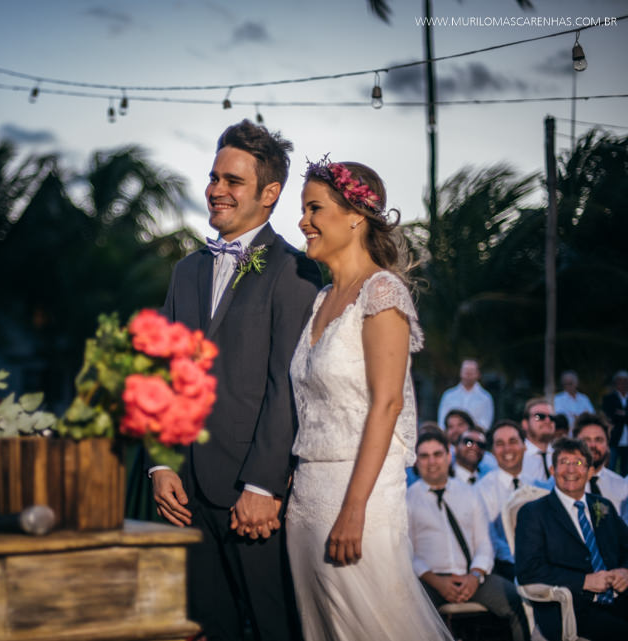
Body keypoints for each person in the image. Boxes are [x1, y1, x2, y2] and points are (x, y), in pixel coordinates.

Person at [151, 119, 321, 641]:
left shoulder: (296, 273)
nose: (216, 190)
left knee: (274, 627)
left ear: (270, 193)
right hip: (185, 495)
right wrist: (161, 464)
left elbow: (288, 386)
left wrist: (264, 484)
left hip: (254, 497)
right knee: (209, 627)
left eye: (233, 180)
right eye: (213, 177)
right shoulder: (185, 272)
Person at [285, 155, 451, 639]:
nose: (304, 221)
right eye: (304, 209)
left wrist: (353, 508)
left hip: (360, 498)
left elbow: (388, 404)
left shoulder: (382, 292)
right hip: (306, 497)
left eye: (314, 208)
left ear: (355, 214)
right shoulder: (321, 300)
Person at [408, 432, 530, 641]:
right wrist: (437, 581)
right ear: (416, 461)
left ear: (449, 457)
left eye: (437, 454)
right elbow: (408, 552)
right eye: (424, 456)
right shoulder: (408, 498)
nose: (431, 462)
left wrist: (474, 576)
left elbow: (485, 542)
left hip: (473, 577)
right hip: (428, 581)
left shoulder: (470, 493)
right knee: (410, 612)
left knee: (518, 601)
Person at [515, 437, 628, 641]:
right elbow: (528, 570)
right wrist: (584, 581)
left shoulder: (603, 507)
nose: (570, 470)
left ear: (590, 471)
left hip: (618, 598)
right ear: (552, 470)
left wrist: (625, 571)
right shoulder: (534, 513)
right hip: (570, 608)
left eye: (577, 463)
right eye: (563, 462)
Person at [475, 419, 536, 580]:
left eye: (513, 441)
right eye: (500, 443)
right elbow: (490, 539)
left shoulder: (536, 485)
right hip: (505, 565)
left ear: (525, 446)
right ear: (493, 451)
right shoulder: (482, 489)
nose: (507, 449)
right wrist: (518, 561)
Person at [574, 413, 628, 521]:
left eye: (599, 440)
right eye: (586, 440)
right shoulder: (560, 483)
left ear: (607, 445)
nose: (592, 445)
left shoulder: (622, 486)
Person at [437, 359, 495, 430]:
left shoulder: (485, 398)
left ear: (478, 374)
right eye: (466, 371)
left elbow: (485, 423)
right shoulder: (448, 396)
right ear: (460, 372)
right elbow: (442, 422)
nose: (468, 374)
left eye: (471, 371)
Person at [521, 397, 556, 484]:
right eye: (539, 417)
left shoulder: (561, 455)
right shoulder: (517, 457)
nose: (547, 420)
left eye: (551, 417)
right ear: (525, 424)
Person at [602, 371, 628, 475]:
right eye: (620, 381)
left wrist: (622, 414)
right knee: (611, 468)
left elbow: (617, 415)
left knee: (626, 470)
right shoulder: (609, 398)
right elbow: (609, 416)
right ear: (616, 383)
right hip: (614, 438)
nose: (623, 384)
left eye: (625, 381)